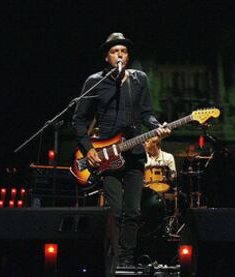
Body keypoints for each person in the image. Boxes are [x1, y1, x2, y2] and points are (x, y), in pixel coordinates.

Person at [72, 32, 170, 267]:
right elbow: (79, 120)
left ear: (128, 56)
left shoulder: (139, 79)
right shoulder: (94, 82)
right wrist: (88, 150)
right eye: (115, 51)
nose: (120, 55)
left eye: (123, 51)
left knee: (133, 212)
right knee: (114, 212)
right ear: (107, 57)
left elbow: (147, 114)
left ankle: (126, 260)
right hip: (106, 155)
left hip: (134, 152)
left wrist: (158, 127)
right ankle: (113, 259)